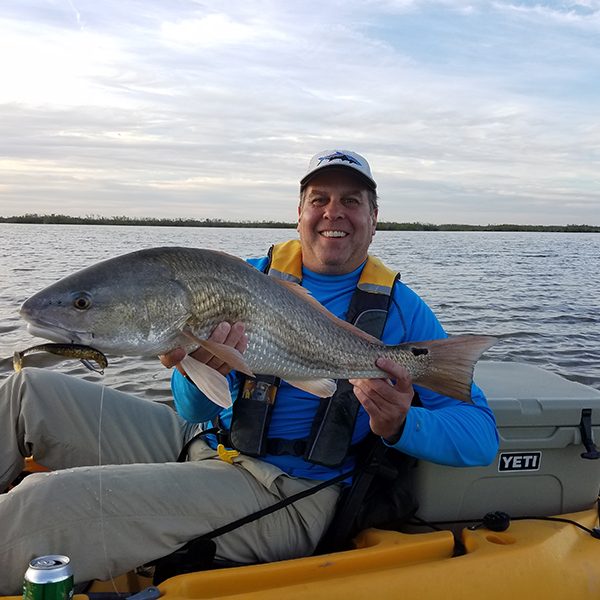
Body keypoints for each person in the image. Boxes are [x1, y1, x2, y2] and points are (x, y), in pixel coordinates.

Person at [0, 149, 499, 594]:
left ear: (373, 218)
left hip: (291, 493)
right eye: (319, 198)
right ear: (299, 213)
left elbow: (481, 439)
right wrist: (192, 363)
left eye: (352, 201)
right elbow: (197, 407)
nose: (334, 212)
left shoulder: (402, 310)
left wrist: (401, 423)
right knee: (25, 392)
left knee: (47, 502)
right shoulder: (245, 276)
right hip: (209, 446)